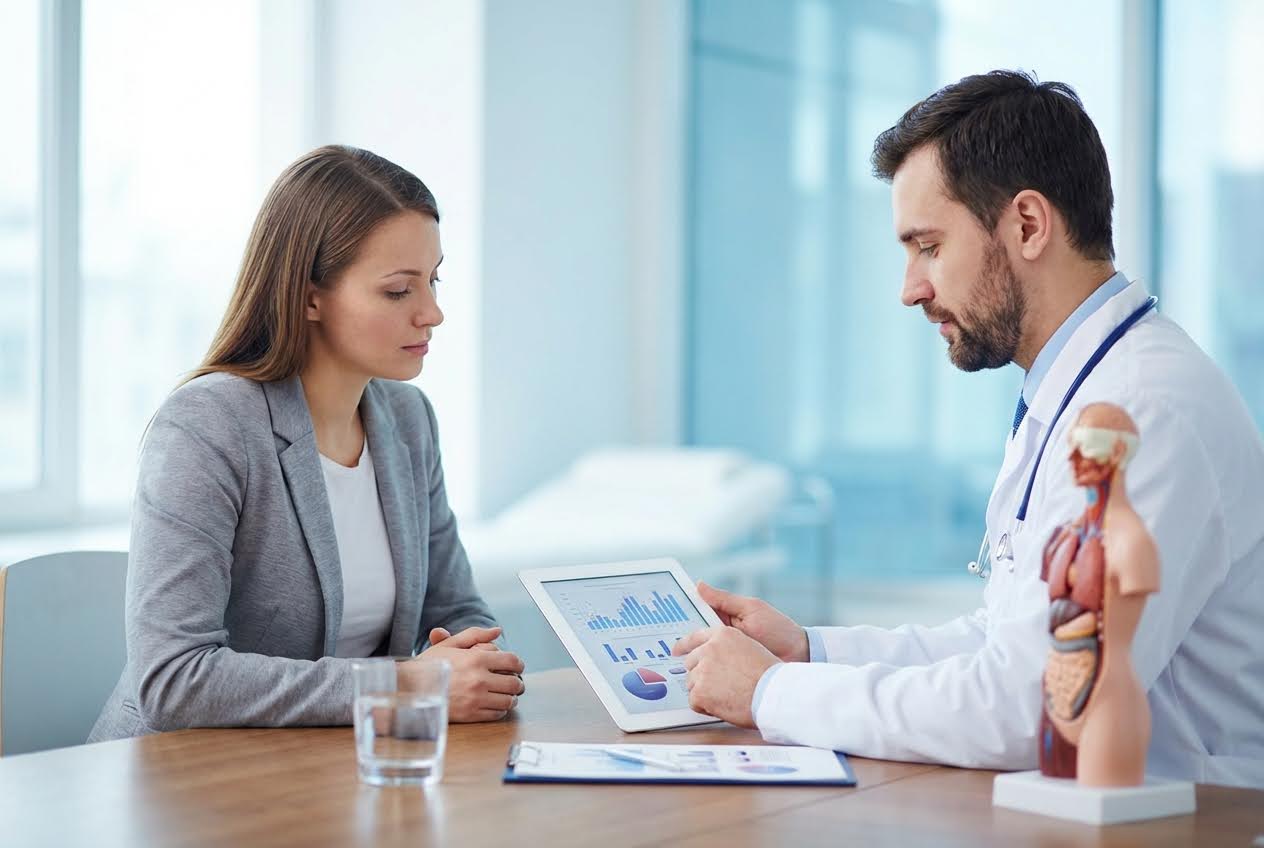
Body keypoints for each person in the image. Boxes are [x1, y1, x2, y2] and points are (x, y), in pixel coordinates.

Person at [672, 70, 1264, 788]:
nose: (909, 288)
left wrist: (770, 693)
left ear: (1027, 225)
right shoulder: (1078, 390)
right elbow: (1001, 643)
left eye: (928, 246)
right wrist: (807, 652)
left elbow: (1037, 704)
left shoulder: (1141, 411)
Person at [90, 145, 525, 740]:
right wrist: (403, 685)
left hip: (336, 770)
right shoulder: (207, 424)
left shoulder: (408, 420)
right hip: (185, 788)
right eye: (399, 291)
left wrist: (474, 658)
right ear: (309, 296)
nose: (433, 313)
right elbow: (172, 680)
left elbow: (456, 611)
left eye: (434, 279)